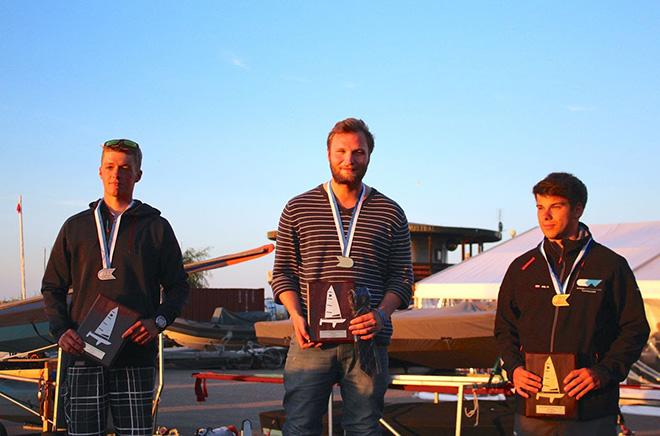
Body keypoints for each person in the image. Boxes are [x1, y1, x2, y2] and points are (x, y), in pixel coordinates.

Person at [271, 118, 413, 435]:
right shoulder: (297, 208)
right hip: (310, 339)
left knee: (364, 428)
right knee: (300, 426)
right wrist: (295, 314)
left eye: (358, 152)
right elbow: (282, 271)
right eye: (341, 151)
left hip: (368, 341)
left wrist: (381, 314)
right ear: (328, 154)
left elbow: (402, 277)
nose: (349, 159)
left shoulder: (390, 211)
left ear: (369, 156)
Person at [42, 139, 189, 436]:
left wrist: (158, 321)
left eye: (125, 168)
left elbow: (178, 287)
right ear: (99, 171)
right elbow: (52, 286)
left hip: (135, 354)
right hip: (84, 352)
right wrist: (61, 330)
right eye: (110, 167)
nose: (116, 174)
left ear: (138, 175)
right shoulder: (76, 227)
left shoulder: (156, 227)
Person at [494, 172, 649, 435]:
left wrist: (603, 371)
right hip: (533, 406)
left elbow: (635, 329)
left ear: (578, 209)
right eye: (540, 207)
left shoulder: (610, 265)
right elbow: (504, 328)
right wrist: (514, 369)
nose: (546, 216)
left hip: (591, 407)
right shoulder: (522, 267)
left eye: (556, 206)